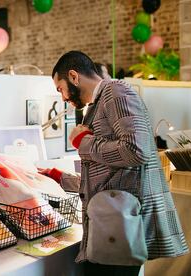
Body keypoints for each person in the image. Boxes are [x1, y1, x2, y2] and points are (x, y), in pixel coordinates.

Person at [40, 51, 188, 275]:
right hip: (112, 225)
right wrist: (59, 177)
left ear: (73, 76)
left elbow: (136, 151)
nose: (62, 98)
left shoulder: (116, 91)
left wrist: (83, 142)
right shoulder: (102, 101)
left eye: (60, 89)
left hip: (119, 225)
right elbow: (108, 175)